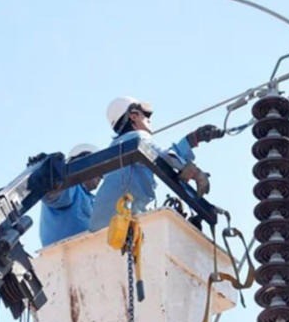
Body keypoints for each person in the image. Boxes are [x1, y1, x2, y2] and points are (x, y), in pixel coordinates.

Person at [88, 96, 223, 231]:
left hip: (101, 226)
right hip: (123, 221)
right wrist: (195, 173)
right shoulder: (138, 137)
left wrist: (193, 139)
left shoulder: (117, 147)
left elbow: (160, 157)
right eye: (145, 114)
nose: (149, 119)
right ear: (133, 116)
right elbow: (166, 158)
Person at [39, 144, 102, 246]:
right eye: (99, 169)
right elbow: (55, 195)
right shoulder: (71, 187)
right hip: (68, 250)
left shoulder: (92, 199)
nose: (101, 176)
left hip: (92, 249)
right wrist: (51, 177)